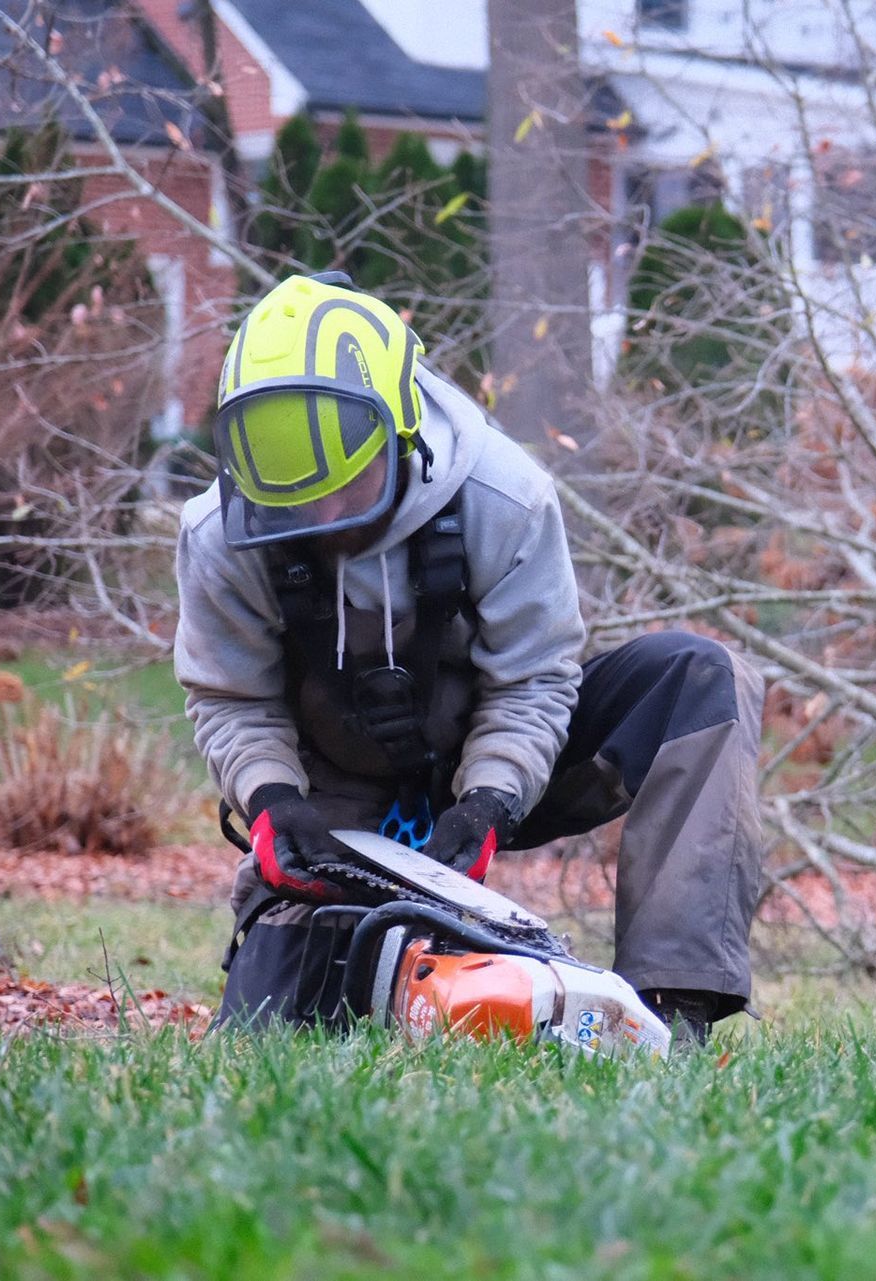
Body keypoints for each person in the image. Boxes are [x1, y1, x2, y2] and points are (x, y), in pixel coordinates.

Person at [174, 272, 763, 1044]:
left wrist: (489, 800)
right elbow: (233, 700)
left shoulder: (506, 495)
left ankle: (669, 1013)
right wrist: (272, 802)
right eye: (297, 505)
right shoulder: (219, 533)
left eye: (346, 493)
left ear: (401, 430)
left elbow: (535, 680)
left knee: (702, 678)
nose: (322, 519)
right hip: (329, 800)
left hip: (503, 764)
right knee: (278, 1022)